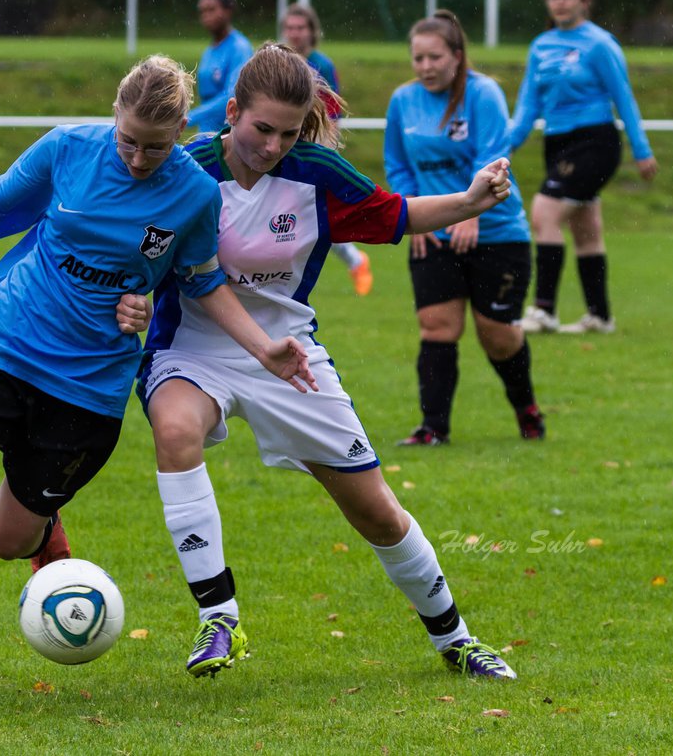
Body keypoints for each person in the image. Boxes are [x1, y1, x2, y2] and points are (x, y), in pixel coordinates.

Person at [0, 55, 315, 700]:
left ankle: (43, 533)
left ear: (183, 128)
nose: (136, 157)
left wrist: (261, 348)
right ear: (114, 118)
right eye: (127, 139)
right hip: (2, 341)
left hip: (90, 382)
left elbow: (200, 280)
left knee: (9, 539)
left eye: (154, 146)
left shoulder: (193, 195)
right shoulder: (68, 149)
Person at [139, 43, 518, 681]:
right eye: (262, 128)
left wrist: (472, 200)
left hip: (291, 357)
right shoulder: (187, 168)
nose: (273, 145)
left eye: (288, 133)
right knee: (176, 430)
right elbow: (136, 242)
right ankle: (219, 619)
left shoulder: (317, 174)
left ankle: (455, 639)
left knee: (375, 511)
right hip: (192, 349)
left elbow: (396, 216)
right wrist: (127, 296)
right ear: (232, 112)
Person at [384, 11, 544, 446]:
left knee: (497, 334)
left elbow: (494, 155)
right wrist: (411, 216)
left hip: (499, 234)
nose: (425, 66)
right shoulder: (403, 101)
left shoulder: (484, 93)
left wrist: (472, 213)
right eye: (418, 58)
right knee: (436, 326)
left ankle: (526, 408)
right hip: (434, 232)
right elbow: (397, 166)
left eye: (434, 57)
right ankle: (433, 428)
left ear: (457, 57)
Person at [509, 0, 658, 335]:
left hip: (595, 141)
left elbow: (624, 98)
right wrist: (502, 147)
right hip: (557, 143)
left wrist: (642, 150)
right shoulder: (540, 47)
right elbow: (527, 108)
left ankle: (544, 310)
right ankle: (600, 316)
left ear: (584, 0)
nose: (559, 3)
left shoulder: (599, 44)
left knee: (545, 213)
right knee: (586, 226)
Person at [281, 2, 373, 296]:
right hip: (283, 148)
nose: (295, 33)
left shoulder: (322, 65)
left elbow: (332, 114)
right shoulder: (279, 62)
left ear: (312, 31)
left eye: (301, 28)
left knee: (314, 214)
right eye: (290, 28)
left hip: (312, 149)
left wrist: (326, 150)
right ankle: (354, 261)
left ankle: (354, 261)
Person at [187, 0, 253, 133]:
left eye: (211, 10)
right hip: (206, 131)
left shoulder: (239, 48)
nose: (206, 16)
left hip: (227, 133)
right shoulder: (210, 50)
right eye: (202, 11)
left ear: (228, 11)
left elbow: (232, 95)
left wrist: (189, 118)